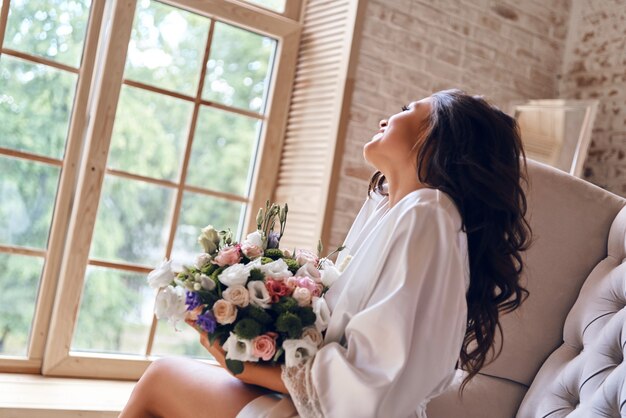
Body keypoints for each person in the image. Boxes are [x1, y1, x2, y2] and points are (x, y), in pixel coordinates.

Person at [119, 89, 531, 418]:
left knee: (161, 377)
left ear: (438, 137)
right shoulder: (394, 210)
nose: (386, 118)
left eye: (409, 109)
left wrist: (238, 363)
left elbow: (376, 380)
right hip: (330, 406)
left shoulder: (429, 213)